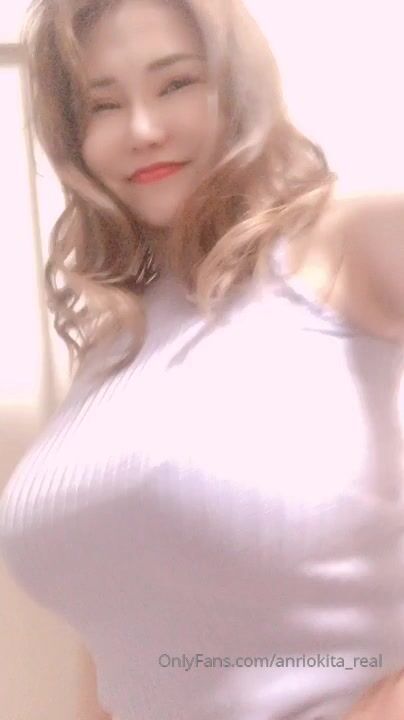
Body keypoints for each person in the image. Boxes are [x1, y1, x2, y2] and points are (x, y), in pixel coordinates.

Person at [0, 0, 403, 719]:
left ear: (238, 87)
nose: (143, 129)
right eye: (103, 105)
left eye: (176, 83)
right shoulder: (114, 337)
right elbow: (123, 633)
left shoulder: (351, 239)